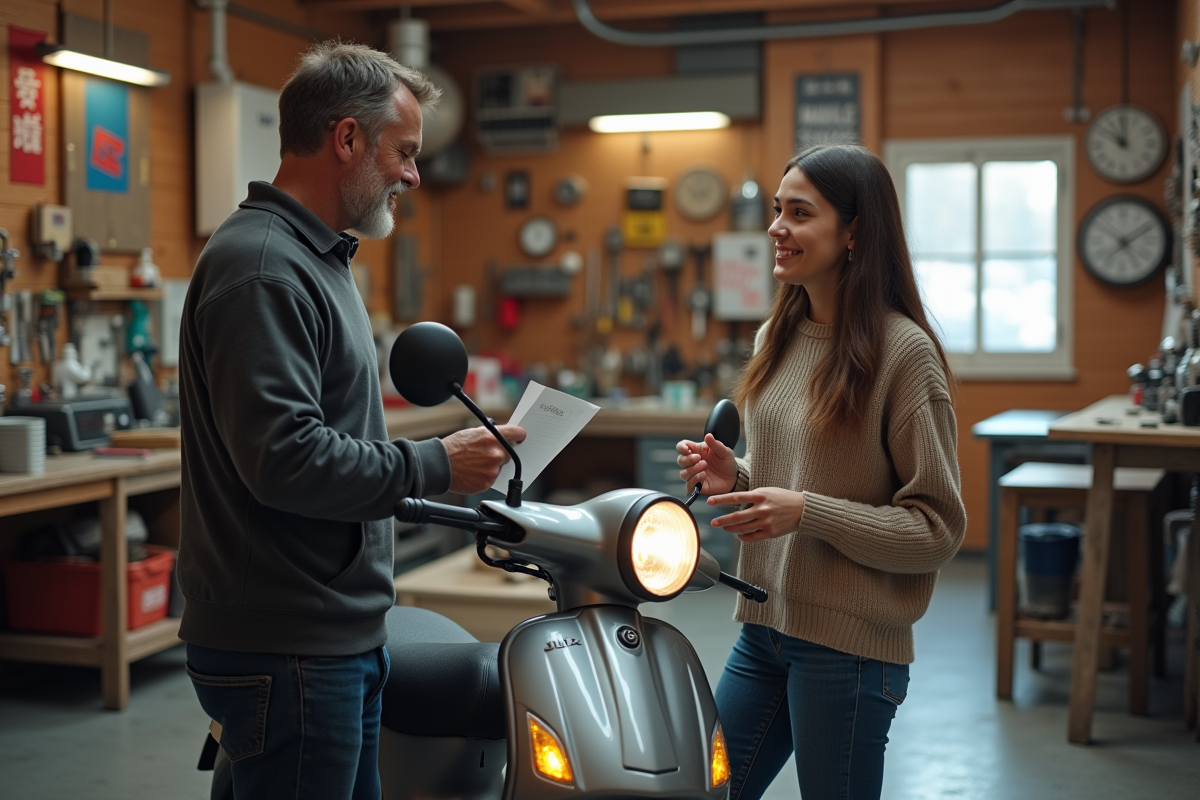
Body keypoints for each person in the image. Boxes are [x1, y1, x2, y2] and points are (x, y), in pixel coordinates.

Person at [177, 41, 525, 800]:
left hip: (329, 633)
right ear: (346, 139)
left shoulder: (316, 259)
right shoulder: (264, 267)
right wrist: (436, 464)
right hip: (290, 643)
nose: (413, 175)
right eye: (404, 152)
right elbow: (285, 459)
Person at [676, 144, 966, 800]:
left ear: (854, 232)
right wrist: (737, 477)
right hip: (765, 628)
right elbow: (797, 474)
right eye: (778, 210)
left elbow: (936, 529)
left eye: (800, 213)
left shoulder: (903, 355)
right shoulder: (775, 338)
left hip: (849, 648)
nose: (776, 228)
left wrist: (807, 512)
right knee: (703, 790)